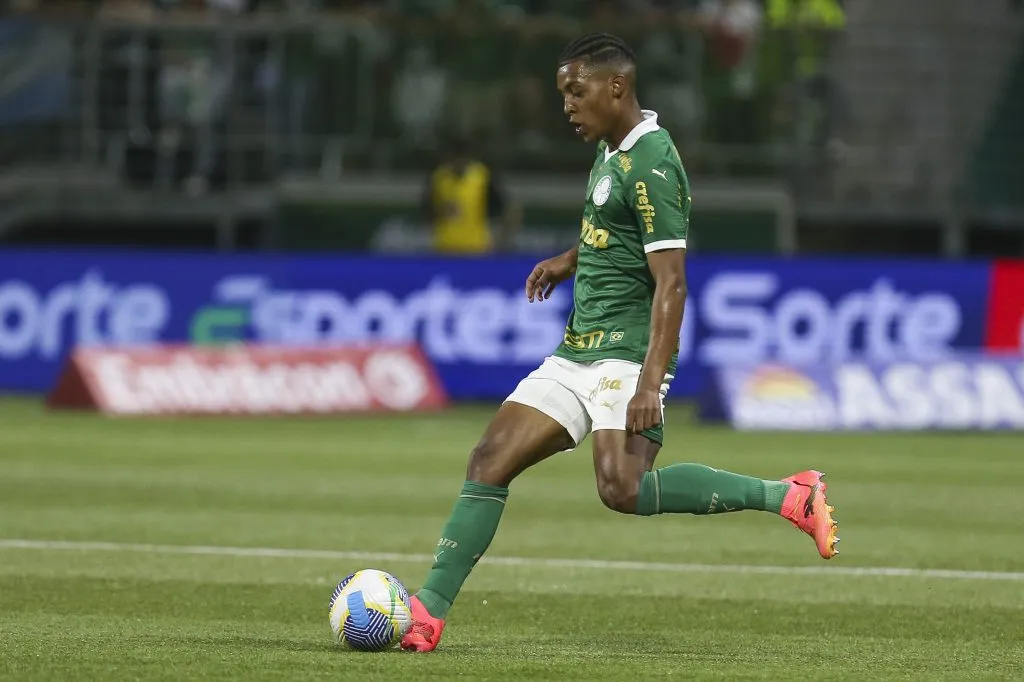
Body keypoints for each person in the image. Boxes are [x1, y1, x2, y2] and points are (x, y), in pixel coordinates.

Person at [401, 32, 839, 654]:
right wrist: (570, 259)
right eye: (562, 95)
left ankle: (788, 495)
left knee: (621, 488)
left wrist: (647, 380)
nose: (567, 107)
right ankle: (427, 614)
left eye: (576, 93)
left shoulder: (654, 163)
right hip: (577, 346)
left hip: (628, 351)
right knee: (488, 459)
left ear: (616, 87)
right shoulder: (611, 149)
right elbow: (616, 227)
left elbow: (673, 284)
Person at [422, 135, 519, 254]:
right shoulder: (438, 176)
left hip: (476, 248)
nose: (459, 164)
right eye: (455, 160)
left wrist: (502, 241)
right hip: (444, 248)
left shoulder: (482, 175)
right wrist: (441, 211)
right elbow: (426, 212)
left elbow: (507, 208)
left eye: (462, 160)